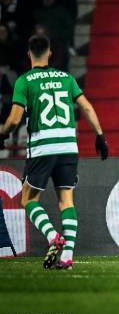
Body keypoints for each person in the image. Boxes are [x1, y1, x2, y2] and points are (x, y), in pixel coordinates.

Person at [0, 34, 108, 270]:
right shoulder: (67, 78)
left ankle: (52, 236)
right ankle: (67, 256)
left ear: (29, 54)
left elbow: (14, 119)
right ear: (50, 53)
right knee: (66, 200)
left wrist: (2, 132)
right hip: (69, 145)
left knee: (28, 199)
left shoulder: (25, 81)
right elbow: (86, 107)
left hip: (43, 146)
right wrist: (99, 135)